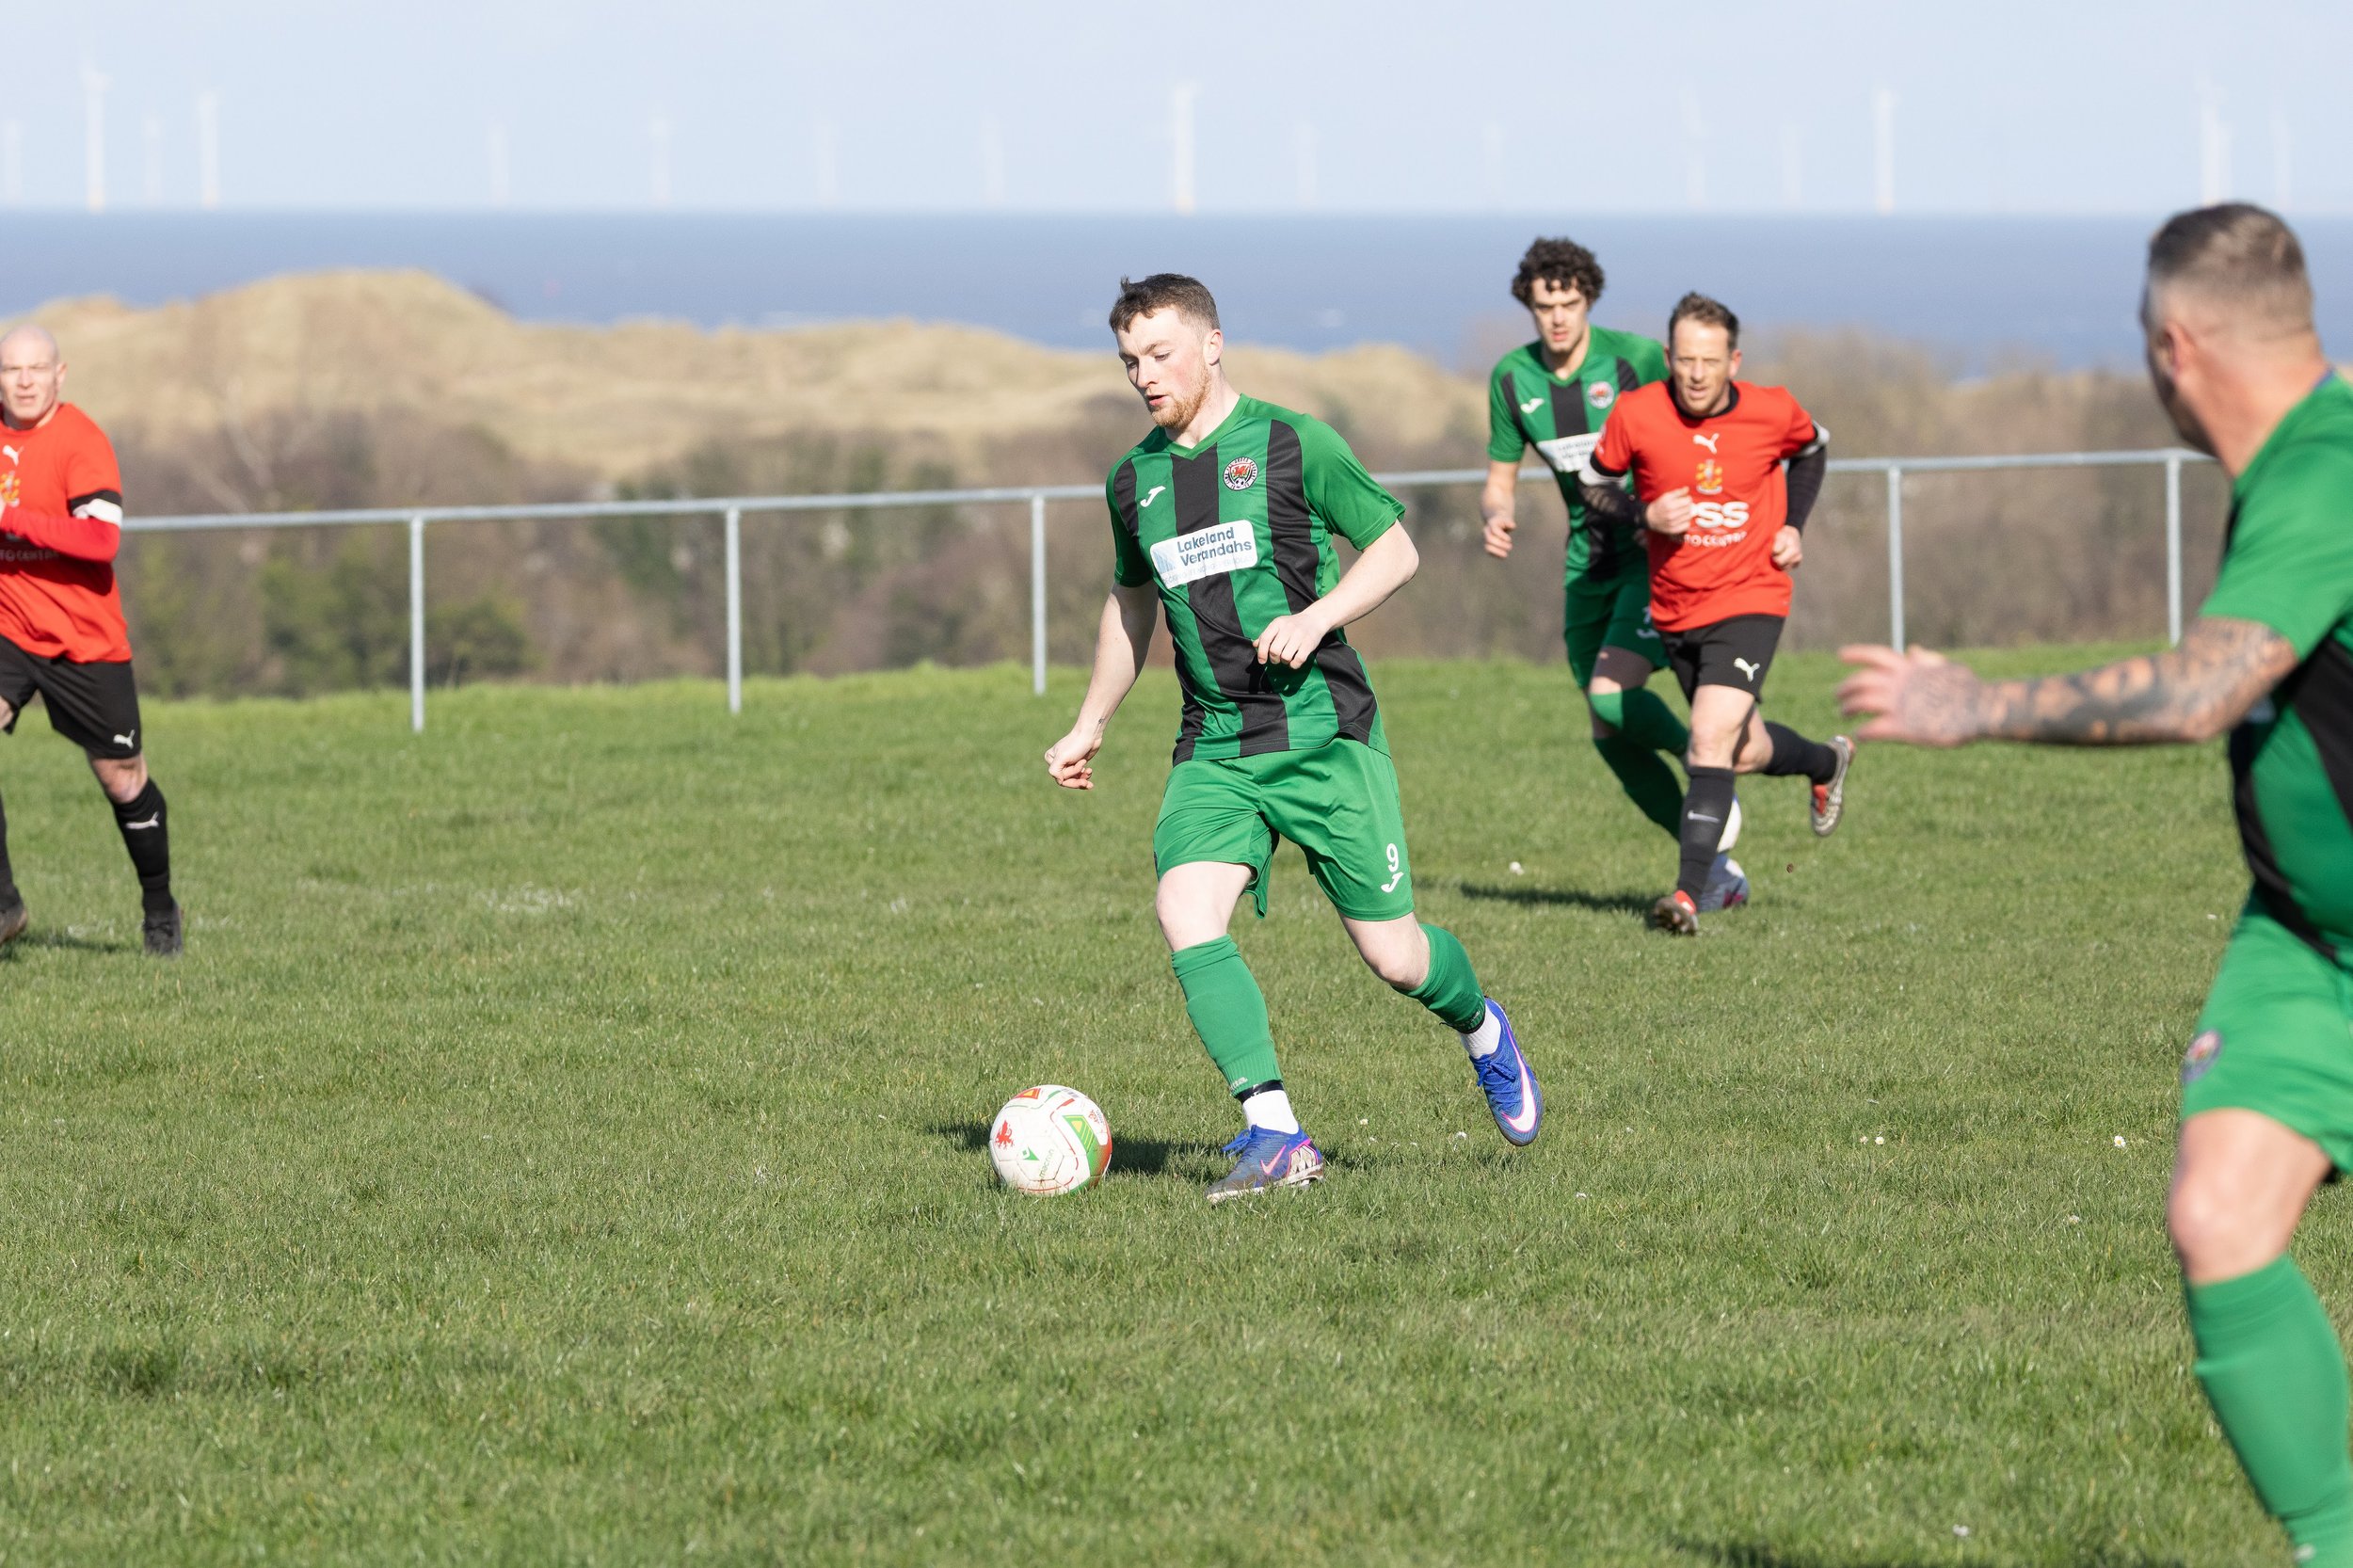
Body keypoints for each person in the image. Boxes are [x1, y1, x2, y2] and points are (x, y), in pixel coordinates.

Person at [1839, 202, 2353, 1567]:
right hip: (2309, 935)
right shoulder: (2313, 445)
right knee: (2218, 1210)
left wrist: (1974, 704)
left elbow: (2203, 687)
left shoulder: (2327, 471)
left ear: (2173, 347)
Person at [1044, 273, 1539, 1203]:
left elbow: (1396, 549)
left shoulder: (1292, 442)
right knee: (1184, 910)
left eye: (1160, 354)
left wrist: (1315, 619)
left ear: (1213, 343)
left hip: (1319, 731)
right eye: (1128, 362)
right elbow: (1130, 602)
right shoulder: (1133, 480)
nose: (1144, 377)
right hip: (1214, 744)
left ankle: (1483, 1030)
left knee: (1395, 958)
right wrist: (1090, 721)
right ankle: (1274, 1133)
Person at [1580, 292, 1853, 935]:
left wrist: (1792, 524)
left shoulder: (1772, 410)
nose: (1696, 373)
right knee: (1742, 748)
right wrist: (1641, 514)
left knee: (1707, 738)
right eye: (1683, 359)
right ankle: (1826, 762)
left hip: (1753, 597)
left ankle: (1690, 894)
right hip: (1676, 609)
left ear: (1734, 360)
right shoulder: (1637, 414)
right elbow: (1593, 484)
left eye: (1709, 360)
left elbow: (1812, 448)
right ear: (1669, 357)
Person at [1481, 238, 1747, 893]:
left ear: (1588, 299)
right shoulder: (1513, 379)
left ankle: (1706, 763)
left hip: (1652, 559)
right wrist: (1497, 512)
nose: (1559, 318)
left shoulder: (1631, 360)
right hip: (1586, 563)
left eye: (1570, 303)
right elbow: (1499, 477)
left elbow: (1704, 417)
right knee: (1606, 729)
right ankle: (1712, 867)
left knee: (1612, 694)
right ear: (1530, 306)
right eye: (1546, 306)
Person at [0, 325, 179, 956]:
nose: (22, 381)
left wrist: (10, 519)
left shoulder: (82, 441)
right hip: (10, 630)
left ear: (59, 375)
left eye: (34, 369)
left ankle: (159, 907)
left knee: (122, 778)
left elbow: (101, 541)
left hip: (85, 639)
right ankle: (4, 905)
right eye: (10, 370)